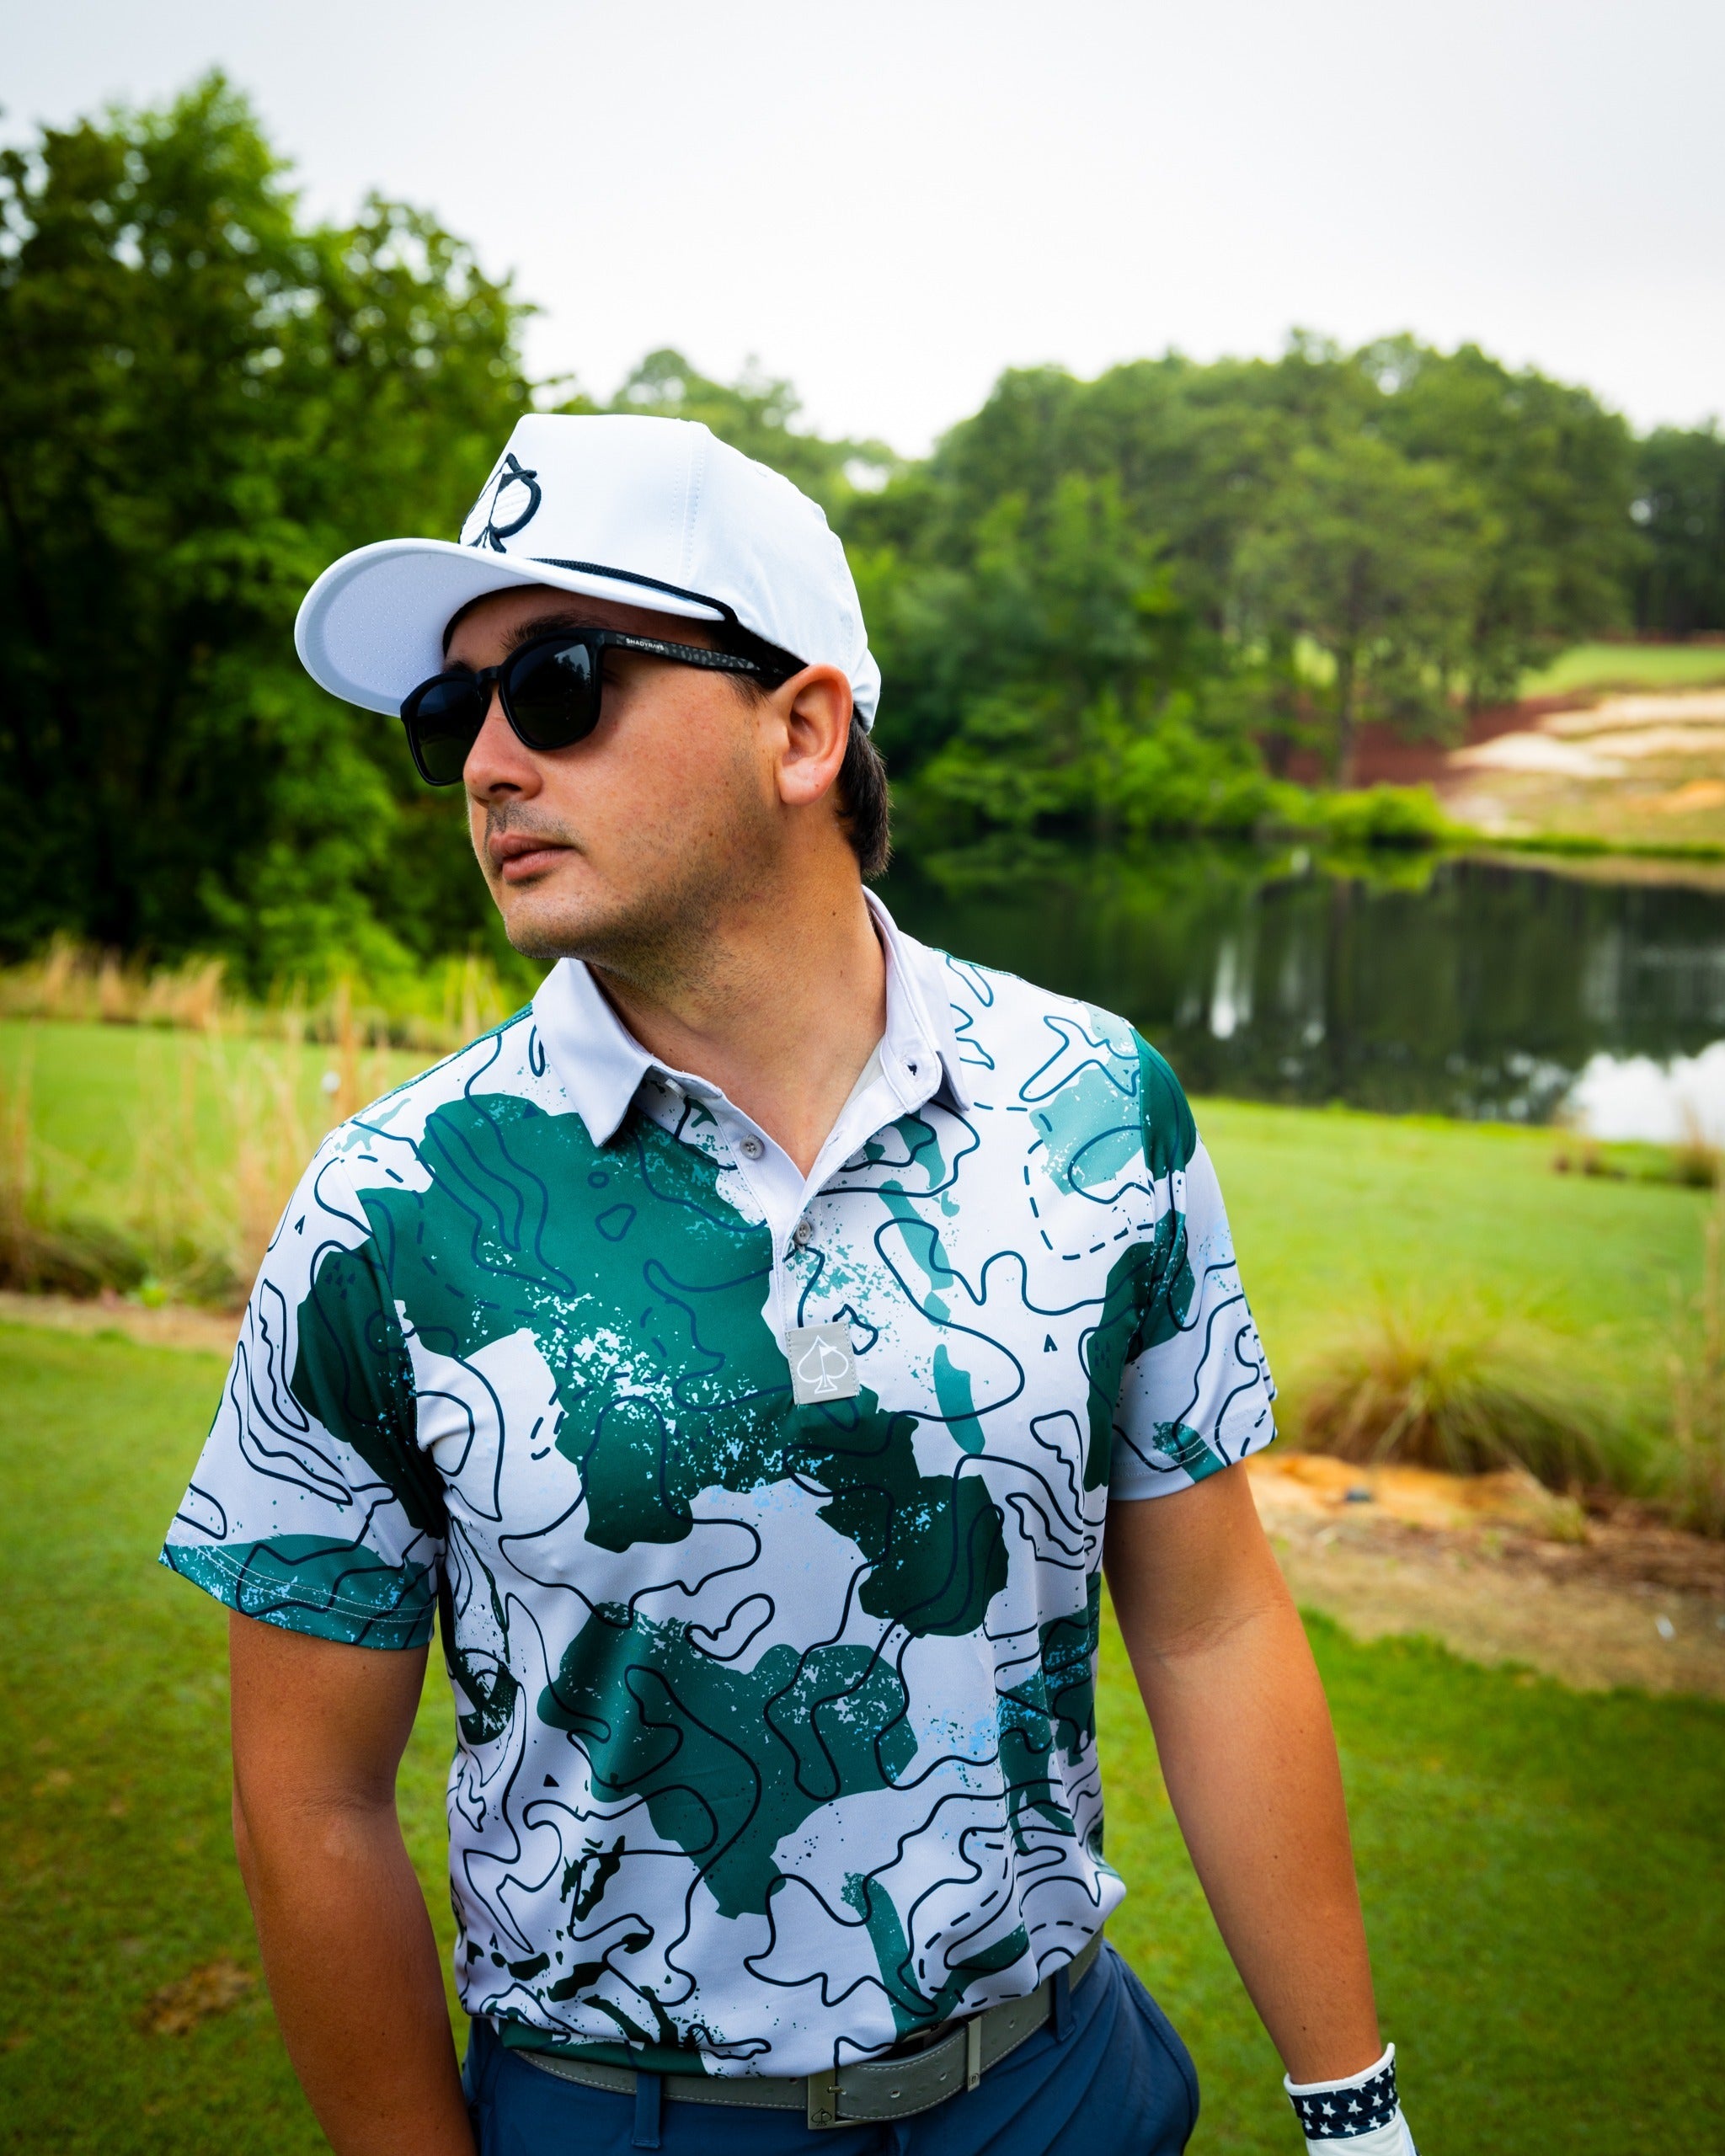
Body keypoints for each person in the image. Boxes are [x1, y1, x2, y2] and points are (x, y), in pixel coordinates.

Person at [163, 414, 1416, 2156]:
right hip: (627, 2118)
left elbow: (1206, 1616)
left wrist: (1350, 2106)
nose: (485, 764)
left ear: (804, 727)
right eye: (453, 714)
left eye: (560, 683)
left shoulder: (1092, 1105)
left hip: (1058, 2091)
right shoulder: (395, 1206)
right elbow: (306, 1793)